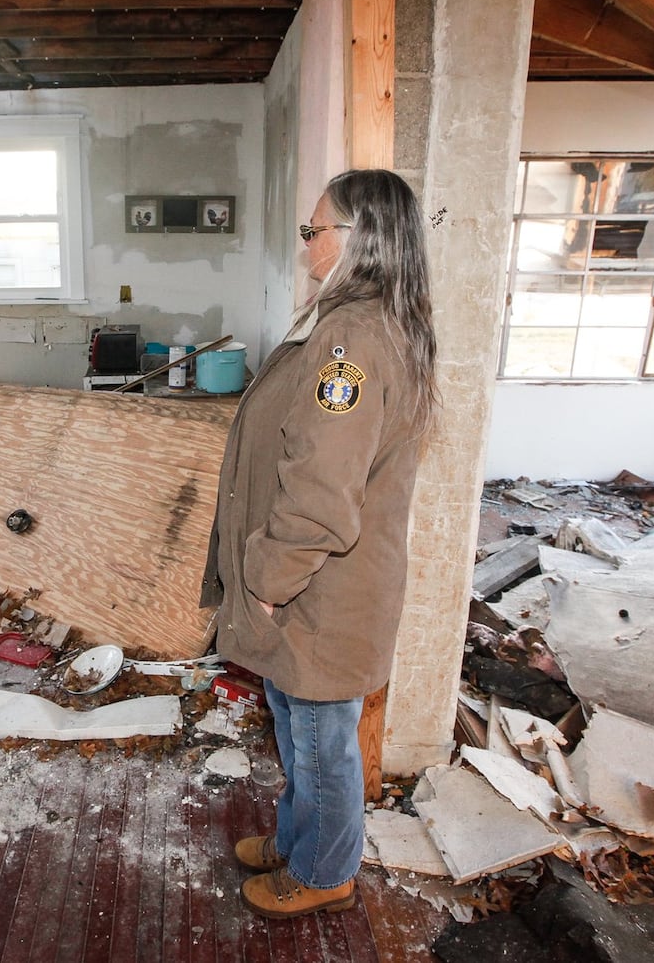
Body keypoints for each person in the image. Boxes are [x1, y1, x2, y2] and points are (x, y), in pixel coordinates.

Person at [206, 169, 438, 918]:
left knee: (319, 742)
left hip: (317, 587)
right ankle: (301, 840)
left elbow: (320, 487)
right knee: (299, 726)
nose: (307, 244)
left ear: (361, 238)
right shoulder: (351, 322)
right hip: (318, 582)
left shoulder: (352, 336)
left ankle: (325, 872)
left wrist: (269, 581)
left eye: (317, 230)